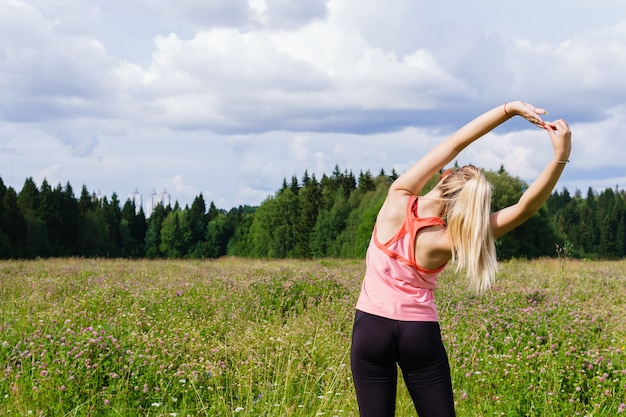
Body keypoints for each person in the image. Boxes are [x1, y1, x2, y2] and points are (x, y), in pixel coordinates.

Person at [350, 101, 572, 417]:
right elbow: (525, 209)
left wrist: (508, 109)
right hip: (419, 333)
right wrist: (560, 156)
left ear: (446, 175)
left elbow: (456, 142)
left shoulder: (397, 198)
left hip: (371, 328)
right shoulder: (449, 239)